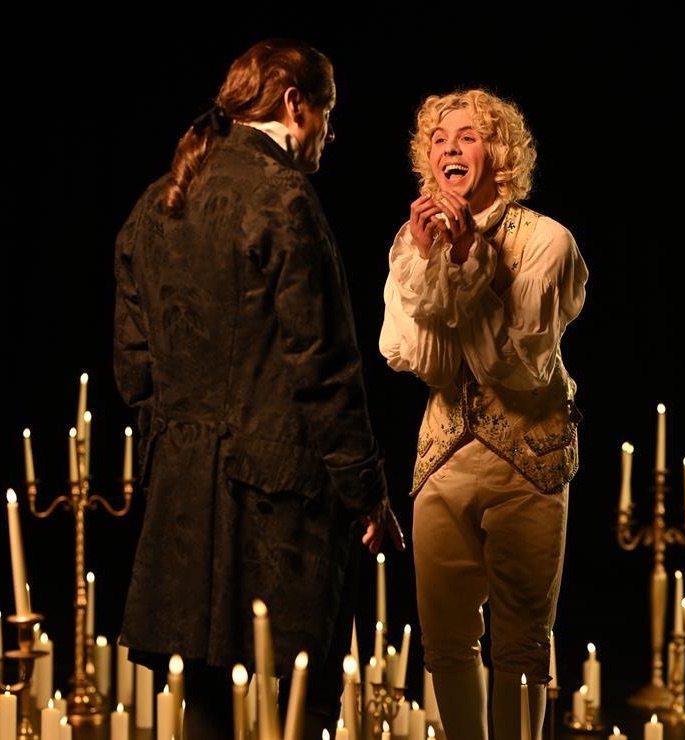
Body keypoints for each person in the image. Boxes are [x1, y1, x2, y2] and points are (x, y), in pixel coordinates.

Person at [113, 37, 404, 740]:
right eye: (329, 116)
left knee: (205, 699)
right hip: (282, 501)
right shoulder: (283, 197)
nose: (330, 136)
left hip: (182, 495)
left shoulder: (156, 202)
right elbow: (324, 367)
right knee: (304, 695)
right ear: (295, 104)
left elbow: (133, 367)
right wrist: (366, 493)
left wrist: (180, 450)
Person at [379, 88, 588, 740]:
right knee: (444, 641)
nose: (449, 147)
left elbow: (520, 367)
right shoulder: (412, 243)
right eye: (438, 139)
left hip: (528, 459)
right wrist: (427, 261)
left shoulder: (546, 241)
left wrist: (471, 261)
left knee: (521, 643)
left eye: (467, 136)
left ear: (498, 153)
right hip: (442, 460)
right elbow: (416, 358)